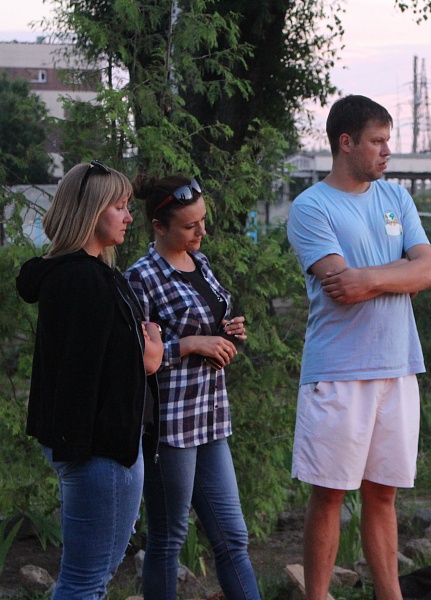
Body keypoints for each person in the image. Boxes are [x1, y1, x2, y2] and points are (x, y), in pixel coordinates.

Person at [286, 94, 431, 600]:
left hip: (398, 366)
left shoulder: (396, 199)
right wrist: (399, 275)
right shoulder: (311, 207)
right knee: (329, 494)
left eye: (387, 141)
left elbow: (428, 271)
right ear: (345, 143)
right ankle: (316, 596)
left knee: (383, 494)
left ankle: (389, 596)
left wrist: (371, 276)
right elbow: (340, 288)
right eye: (377, 141)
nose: (386, 151)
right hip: (339, 371)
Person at [16, 160, 164, 599]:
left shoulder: (79, 275)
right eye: (119, 206)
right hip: (101, 450)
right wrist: (149, 357)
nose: (129, 215)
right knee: (85, 582)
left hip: (96, 448)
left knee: (88, 579)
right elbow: (87, 371)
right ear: (91, 211)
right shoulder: (85, 280)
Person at [123, 173, 260, 600]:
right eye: (190, 226)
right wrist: (190, 344)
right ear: (159, 227)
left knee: (232, 536)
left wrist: (229, 332)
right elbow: (130, 360)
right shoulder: (140, 278)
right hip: (170, 427)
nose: (202, 231)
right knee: (169, 539)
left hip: (211, 418)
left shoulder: (200, 263)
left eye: (202, 221)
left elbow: (210, 320)